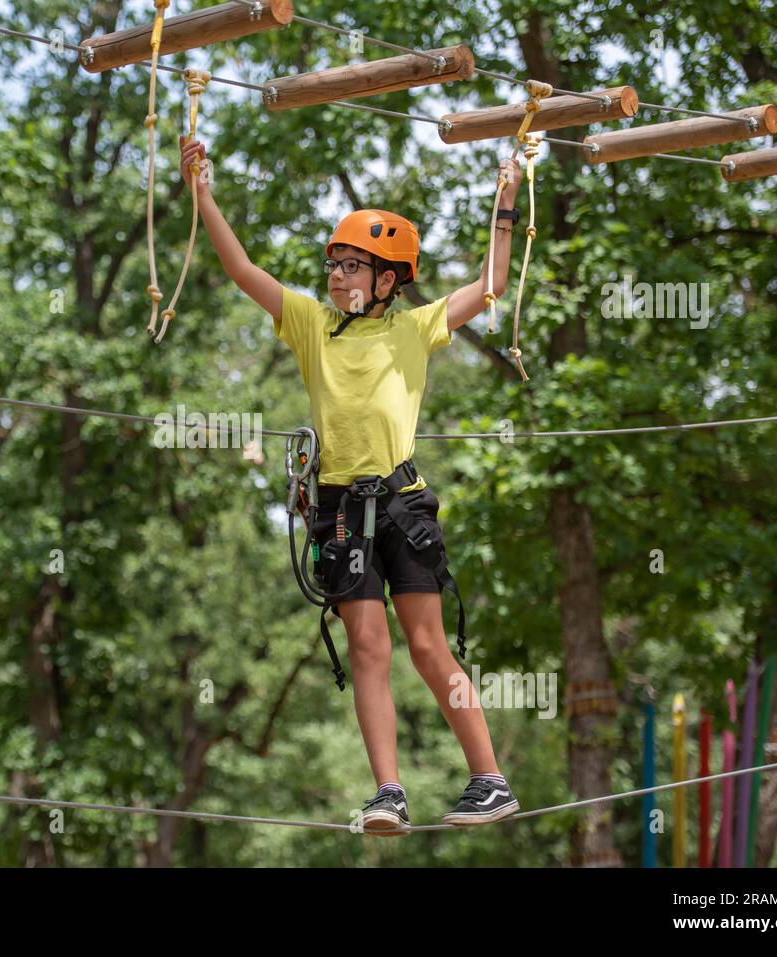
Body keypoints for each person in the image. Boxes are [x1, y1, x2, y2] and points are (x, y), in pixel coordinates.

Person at [180, 133, 525, 834]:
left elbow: (491, 283)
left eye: (353, 267)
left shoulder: (415, 327)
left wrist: (506, 204)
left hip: (400, 502)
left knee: (427, 645)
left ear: (389, 280)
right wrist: (202, 192)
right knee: (367, 646)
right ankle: (388, 791)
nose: (337, 276)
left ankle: (488, 777)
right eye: (333, 264)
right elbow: (241, 269)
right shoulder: (310, 323)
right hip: (337, 511)